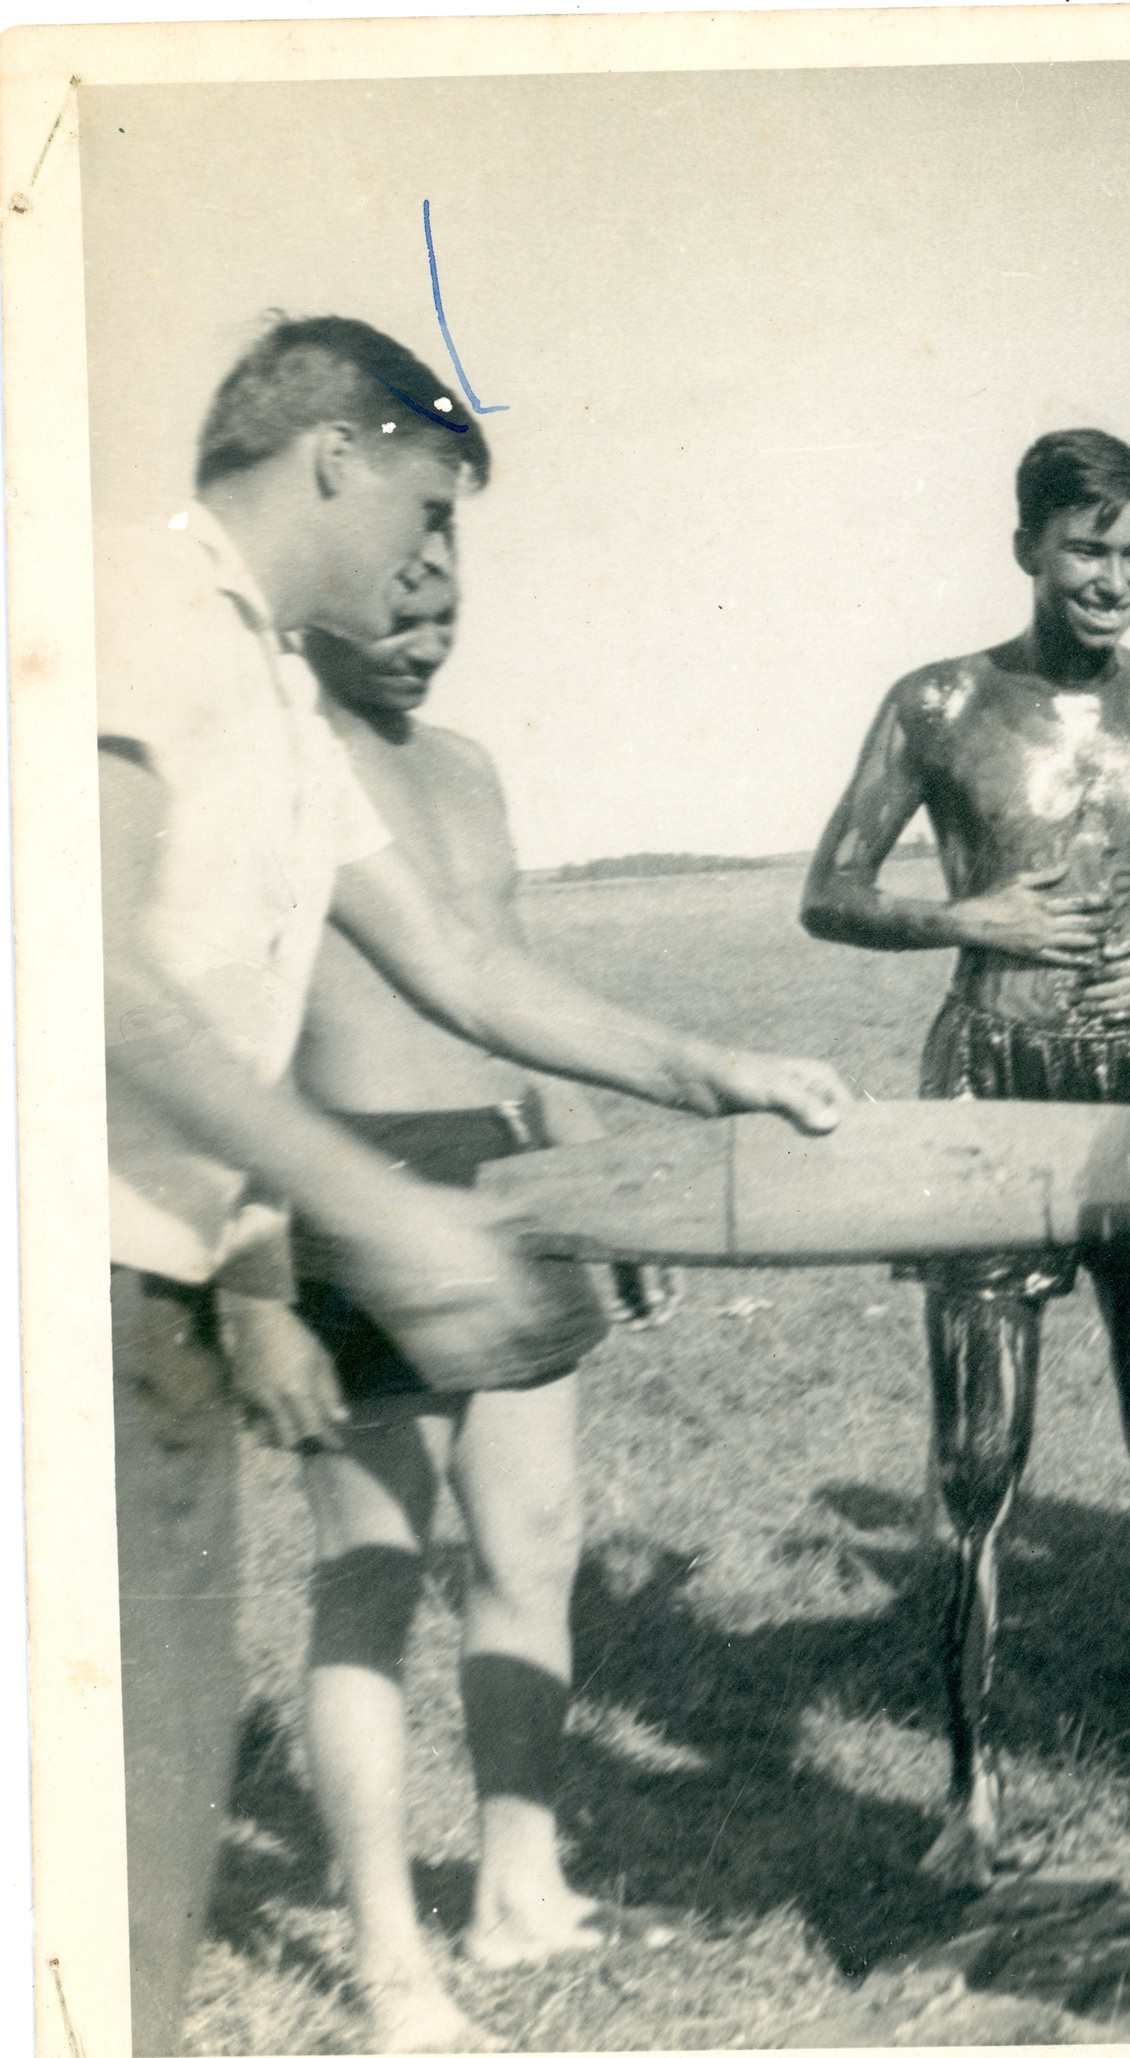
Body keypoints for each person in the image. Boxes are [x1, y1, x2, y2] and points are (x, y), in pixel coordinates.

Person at [100, 316, 848, 2053]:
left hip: (186, 1268)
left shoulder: (269, 689)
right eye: (426, 506)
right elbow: (81, 966)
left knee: (169, 1749)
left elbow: (461, 963)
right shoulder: (134, 601)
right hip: (103, 1276)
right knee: (136, 1754)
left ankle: (502, 1896)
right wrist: (350, 1215)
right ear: (334, 456)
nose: (433, 559)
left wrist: (706, 1072)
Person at [801, 429, 1130, 1879]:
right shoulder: (939, 703)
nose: (1115, 578)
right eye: (1087, 549)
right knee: (978, 1457)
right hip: (989, 1090)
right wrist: (970, 920)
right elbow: (830, 891)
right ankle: (972, 1794)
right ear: (1027, 545)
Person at [240, 570, 687, 2050]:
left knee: (534, 1543)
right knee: (371, 1573)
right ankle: (387, 1967)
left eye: (446, 606)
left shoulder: (471, 767)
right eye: (399, 605)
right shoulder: (276, 760)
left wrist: (593, 1176)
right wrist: (259, 1279)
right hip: (351, 1182)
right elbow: (227, 1030)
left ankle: (518, 1890)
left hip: (506, 1173)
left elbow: (508, 984)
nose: (425, 633)